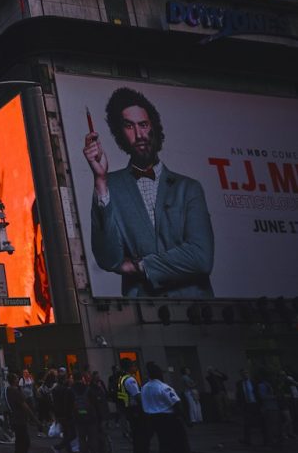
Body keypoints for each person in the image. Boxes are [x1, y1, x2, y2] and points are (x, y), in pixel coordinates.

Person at [84, 87, 215, 297]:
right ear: (119, 133)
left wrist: (140, 266)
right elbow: (109, 259)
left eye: (143, 125)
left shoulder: (188, 188)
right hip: (143, 314)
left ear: (154, 127)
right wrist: (100, 179)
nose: (139, 135)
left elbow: (201, 258)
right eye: (129, 126)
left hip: (197, 314)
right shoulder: (110, 186)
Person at [143, 363, 213, 453]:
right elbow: (176, 404)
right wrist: (186, 419)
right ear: (159, 374)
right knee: (182, 446)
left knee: (164, 446)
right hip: (170, 419)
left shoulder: (145, 388)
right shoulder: (163, 387)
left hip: (155, 419)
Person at [7, 372, 38, 453]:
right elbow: (24, 405)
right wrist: (34, 419)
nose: (18, 379)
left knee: (22, 442)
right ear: (14, 380)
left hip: (16, 419)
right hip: (19, 419)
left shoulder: (8, 390)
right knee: (23, 443)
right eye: (16, 378)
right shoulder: (15, 391)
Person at [72, 372, 101, 453]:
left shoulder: (71, 390)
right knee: (92, 437)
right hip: (90, 416)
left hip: (78, 416)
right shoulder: (88, 389)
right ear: (82, 378)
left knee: (81, 438)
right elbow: (95, 403)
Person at [238, 369, 263, 446]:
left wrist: (261, 404)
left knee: (261, 421)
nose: (245, 375)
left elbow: (258, 393)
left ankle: (264, 439)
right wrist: (239, 405)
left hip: (255, 403)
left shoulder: (253, 383)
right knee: (247, 423)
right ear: (241, 375)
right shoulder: (239, 384)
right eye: (243, 374)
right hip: (246, 404)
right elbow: (239, 395)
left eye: (246, 373)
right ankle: (247, 440)